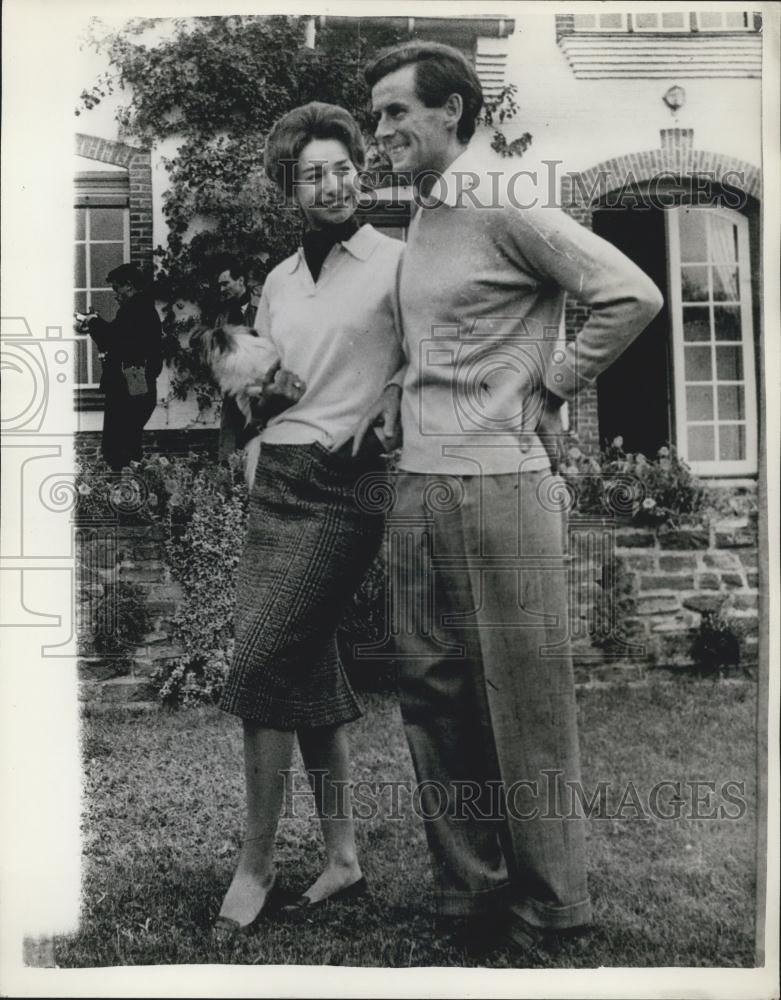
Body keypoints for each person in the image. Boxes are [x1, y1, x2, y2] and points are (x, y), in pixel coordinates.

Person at [355, 41, 664, 957]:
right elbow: (442, 337)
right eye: (376, 117)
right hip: (418, 482)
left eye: (394, 114)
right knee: (432, 694)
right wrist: (394, 394)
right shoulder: (425, 214)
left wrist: (554, 383)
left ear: (451, 111)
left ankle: (549, 906)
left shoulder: (505, 198)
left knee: (520, 700)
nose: (380, 133)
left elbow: (630, 293)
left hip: (499, 484)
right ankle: (468, 894)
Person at [213, 101, 405, 940]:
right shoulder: (280, 280)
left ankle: (252, 871)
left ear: (360, 169)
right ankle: (341, 858)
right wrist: (248, 431)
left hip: (344, 487)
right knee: (310, 676)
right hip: (279, 483)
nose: (333, 183)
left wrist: (392, 397)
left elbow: (439, 352)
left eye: (344, 166)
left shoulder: (400, 262)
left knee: (260, 667)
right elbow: (272, 381)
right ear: (289, 187)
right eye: (313, 173)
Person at [80, 263, 162, 471]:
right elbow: (120, 341)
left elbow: (112, 338)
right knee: (128, 448)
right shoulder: (143, 309)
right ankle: (130, 495)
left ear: (128, 286)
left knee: (117, 451)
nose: (115, 294)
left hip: (127, 393)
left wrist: (93, 321)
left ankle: (124, 498)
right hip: (137, 390)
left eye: (116, 288)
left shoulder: (135, 310)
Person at [210, 254, 261, 461]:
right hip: (233, 393)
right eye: (219, 286)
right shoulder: (222, 317)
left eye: (225, 283)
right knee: (230, 452)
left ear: (240, 281)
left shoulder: (262, 309)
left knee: (258, 451)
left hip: (259, 394)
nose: (222, 289)